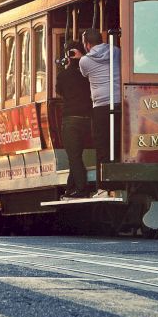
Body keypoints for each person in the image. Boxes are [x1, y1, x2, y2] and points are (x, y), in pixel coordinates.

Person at [78, 28, 121, 197]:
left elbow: (84, 75)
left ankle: (104, 187)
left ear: (87, 44)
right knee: (118, 144)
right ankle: (121, 183)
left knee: (102, 147)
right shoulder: (116, 51)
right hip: (119, 102)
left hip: (101, 107)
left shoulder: (84, 61)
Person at [56, 40, 92, 199]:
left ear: (69, 55)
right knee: (75, 155)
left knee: (74, 156)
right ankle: (70, 188)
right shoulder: (88, 72)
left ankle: (81, 189)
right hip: (87, 120)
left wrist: (68, 66)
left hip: (71, 120)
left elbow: (59, 91)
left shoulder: (64, 74)